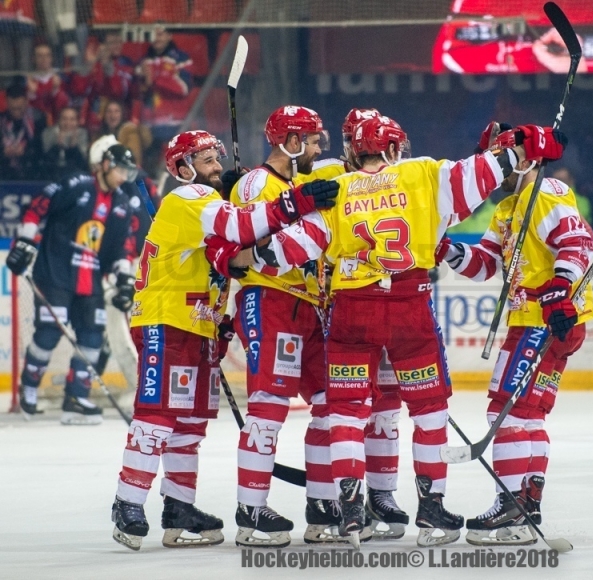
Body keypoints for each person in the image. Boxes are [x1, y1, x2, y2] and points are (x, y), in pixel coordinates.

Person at [258, 114, 564, 547]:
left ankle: (348, 511)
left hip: (351, 311)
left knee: (346, 412)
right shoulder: (422, 173)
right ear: (393, 149)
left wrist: (239, 252)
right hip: (408, 308)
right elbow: (488, 172)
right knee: (429, 412)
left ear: (353, 150)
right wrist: (526, 145)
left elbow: (279, 252)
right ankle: (432, 513)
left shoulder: (336, 188)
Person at [109, 129, 339, 551]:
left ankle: (178, 508)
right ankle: (127, 501)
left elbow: (233, 258)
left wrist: (227, 317)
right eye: (207, 159)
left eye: (218, 157)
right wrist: (296, 202)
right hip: (166, 320)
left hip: (199, 326)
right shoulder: (187, 199)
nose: (217, 166)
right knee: (157, 415)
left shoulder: (209, 206)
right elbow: (239, 224)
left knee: (190, 424)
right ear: (182, 169)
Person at [437, 127, 592, 546]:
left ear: (519, 157)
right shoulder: (508, 206)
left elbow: (577, 243)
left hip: (546, 319)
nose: (490, 170)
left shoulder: (546, 192)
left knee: (502, 410)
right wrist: (448, 250)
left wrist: (560, 291)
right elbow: (485, 264)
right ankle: (527, 504)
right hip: (546, 319)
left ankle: (509, 508)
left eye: (495, 158)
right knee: (529, 414)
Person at [225, 105, 359, 548]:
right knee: (268, 406)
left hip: (308, 307)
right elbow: (243, 246)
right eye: (314, 141)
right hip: (270, 300)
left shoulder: (297, 182)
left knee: (330, 400)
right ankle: (250, 510)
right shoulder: (257, 183)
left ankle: (321, 507)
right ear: (292, 142)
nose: (319, 149)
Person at [5, 142, 138, 424]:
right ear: (104, 164)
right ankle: (28, 388)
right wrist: (26, 241)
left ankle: (76, 398)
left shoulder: (121, 205)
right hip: (55, 271)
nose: (123, 176)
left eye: (127, 171)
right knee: (50, 331)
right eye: (119, 169)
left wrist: (124, 279)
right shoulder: (77, 184)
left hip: (90, 280)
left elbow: (120, 250)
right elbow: (38, 207)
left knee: (92, 336)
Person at [138, 25, 192, 173]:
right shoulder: (144, 60)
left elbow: (184, 88)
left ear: (169, 36)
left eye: (160, 34)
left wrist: (154, 80)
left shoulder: (181, 58)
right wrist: (144, 83)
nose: (156, 38)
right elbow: (137, 91)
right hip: (149, 124)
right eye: (153, 34)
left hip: (174, 122)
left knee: (173, 169)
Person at [1, 82, 46, 180]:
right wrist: (3, 152)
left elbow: (42, 149)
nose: (16, 112)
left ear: (26, 102)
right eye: (13, 109)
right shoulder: (1, 120)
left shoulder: (38, 119)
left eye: (20, 108)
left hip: (32, 170)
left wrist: (26, 150)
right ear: (7, 103)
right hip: (4, 172)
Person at [26, 42, 69, 124]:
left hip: (58, 121)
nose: (44, 59)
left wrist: (55, 91)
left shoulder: (60, 76)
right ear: (33, 59)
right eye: (40, 56)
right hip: (36, 123)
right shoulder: (29, 79)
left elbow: (63, 104)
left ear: (51, 58)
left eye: (47, 55)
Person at [41, 106, 89, 180]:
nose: (68, 123)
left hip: (75, 175)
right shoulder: (49, 133)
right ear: (59, 120)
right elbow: (45, 160)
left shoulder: (82, 134)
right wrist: (57, 147)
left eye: (72, 119)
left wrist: (73, 148)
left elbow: (82, 163)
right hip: (52, 175)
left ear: (77, 121)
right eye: (64, 119)